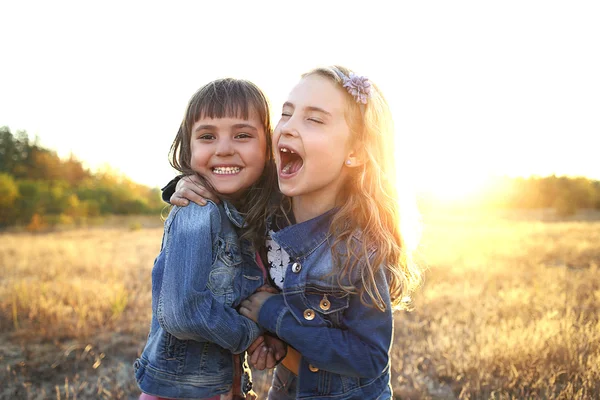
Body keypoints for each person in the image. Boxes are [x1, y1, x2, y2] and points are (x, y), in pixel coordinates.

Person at [166, 65, 422, 399]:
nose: (288, 128)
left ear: (355, 152)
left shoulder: (361, 246)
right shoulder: (268, 208)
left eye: (313, 119)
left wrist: (273, 315)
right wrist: (187, 183)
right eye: (286, 114)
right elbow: (225, 176)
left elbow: (368, 356)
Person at [135, 77, 285, 400]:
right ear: (189, 149)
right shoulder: (197, 209)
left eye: (243, 135)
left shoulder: (250, 217)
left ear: (268, 146)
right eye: (207, 136)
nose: (224, 148)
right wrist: (249, 332)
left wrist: (270, 328)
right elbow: (182, 311)